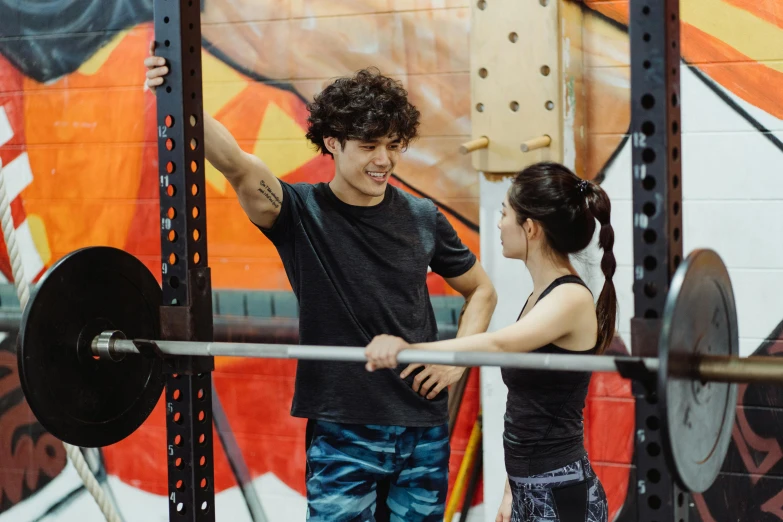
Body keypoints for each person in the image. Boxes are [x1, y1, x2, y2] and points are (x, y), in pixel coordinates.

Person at [145, 46, 498, 521]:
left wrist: (457, 360)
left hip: (422, 427)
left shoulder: (423, 217)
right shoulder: (296, 212)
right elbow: (235, 161)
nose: (384, 160)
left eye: (393, 145)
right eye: (369, 145)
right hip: (342, 430)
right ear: (332, 141)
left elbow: (482, 290)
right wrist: (175, 93)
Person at [365, 162, 614, 522]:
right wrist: (511, 491)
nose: (499, 224)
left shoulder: (570, 299)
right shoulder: (541, 296)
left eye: (504, 214)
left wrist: (405, 348)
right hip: (531, 489)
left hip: (561, 496)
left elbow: (497, 345)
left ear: (529, 228)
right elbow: (528, 409)